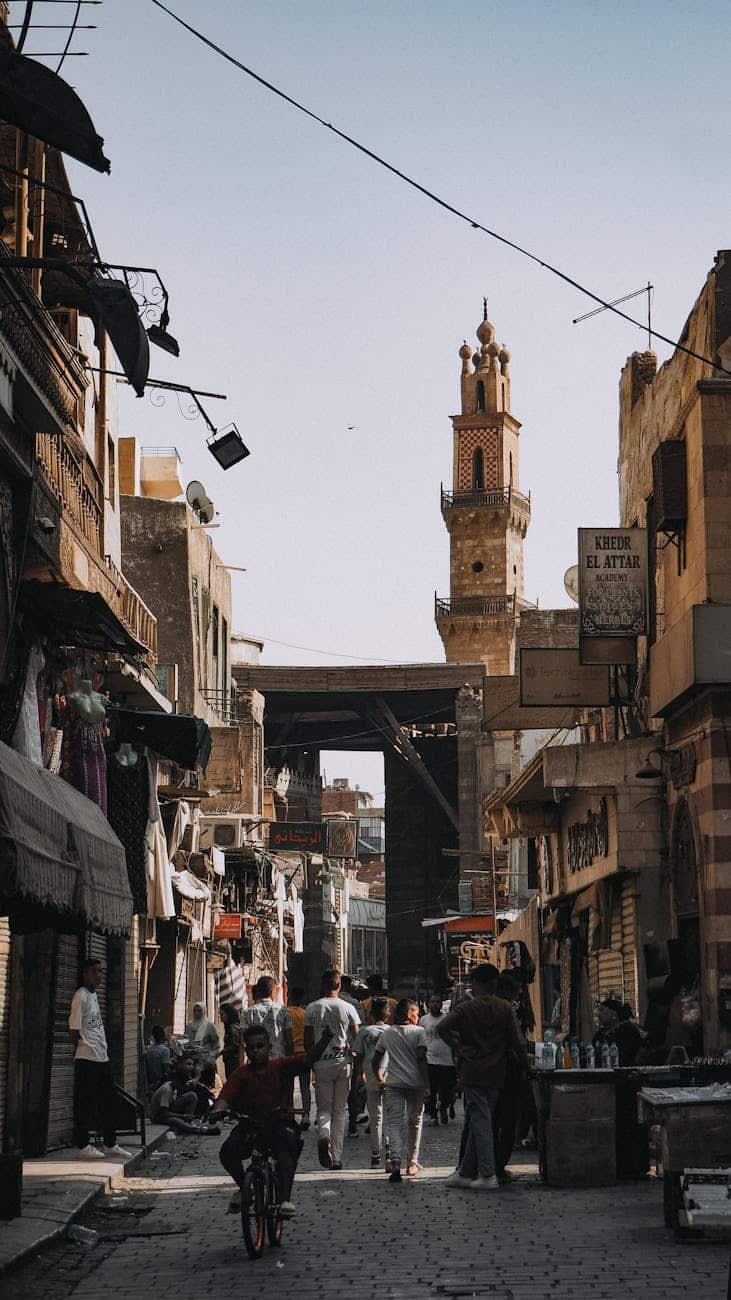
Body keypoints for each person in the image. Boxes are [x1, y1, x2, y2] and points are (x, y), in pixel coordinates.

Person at [212, 1022, 333, 1218]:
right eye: (251, 1047)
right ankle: (245, 1187)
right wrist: (217, 1111)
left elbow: (307, 1059)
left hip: (279, 1122)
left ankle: (285, 1199)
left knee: (286, 1150)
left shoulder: (281, 1066)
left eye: (260, 1046)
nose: (255, 1051)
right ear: (246, 1050)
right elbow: (225, 1096)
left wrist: (325, 1040)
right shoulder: (241, 1074)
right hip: (250, 1125)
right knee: (227, 1152)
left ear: (269, 1047)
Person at [438, 963, 526, 1192]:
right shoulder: (505, 1008)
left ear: (477, 983)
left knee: (480, 1122)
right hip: (497, 1072)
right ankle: (465, 1172)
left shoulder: (467, 1008)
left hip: (473, 1070)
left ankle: (487, 1173)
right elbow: (518, 1042)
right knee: (481, 1120)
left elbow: (442, 1028)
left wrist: (458, 1048)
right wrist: (523, 1062)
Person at [69, 958, 130, 1159]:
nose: (99, 975)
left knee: (109, 1102)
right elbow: (73, 1030)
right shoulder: (81, 996)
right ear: (85, 974)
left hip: (101, 1058)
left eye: (101, 971)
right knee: (84, 1103)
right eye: (95, 971)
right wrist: (85, 1047)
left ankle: (110, 1143)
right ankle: (82, 1145)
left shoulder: (94, 996)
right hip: (87, 1059)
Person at [304, 968, 361, 1170]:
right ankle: (336, 1158)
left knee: (324, 1108)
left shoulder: (312, 1008)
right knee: (339, 1110)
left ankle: (323, 1135)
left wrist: (312, 1061)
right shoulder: (348, 1007)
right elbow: (357, 1038)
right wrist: (355, 1057)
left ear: (322, 985)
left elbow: (308, 1041)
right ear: (339, 985)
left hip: (322, 1064)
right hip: (343, 1063)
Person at [373, 998, 428, 1183]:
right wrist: (427, 1083)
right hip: (416, 1084)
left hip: (394, 1084)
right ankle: (412, 1162)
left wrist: (379, 1079)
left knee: (395, 1124)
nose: (418, 1017)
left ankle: (395, 1160)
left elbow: (376, 1059)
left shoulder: (388, 1033)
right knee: (415, 1122)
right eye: (417, 1013)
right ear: (409, 1013)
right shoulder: (419, 1032)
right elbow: (421, 1059)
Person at [352, 996, 390, 1168]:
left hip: (371, 1078)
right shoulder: (392, 1031)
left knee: (375, 1118)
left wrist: (360, 1074)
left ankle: (376, 1156)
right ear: (388, 1014)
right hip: (390, 1078)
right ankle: (389, 1150)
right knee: (390, 1117)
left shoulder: (364, 1032)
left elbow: (357, 1056)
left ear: (371, 1013)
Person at [150, 1055, 221, 1134]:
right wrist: (183, 1116)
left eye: (192, 1064)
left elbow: (199, 1089)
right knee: (177, 1121)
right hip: (159, 1116)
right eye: (188, 1064)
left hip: (170, 1107)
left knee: (192, 1095)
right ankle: (203, 1130)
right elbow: (163, 1113)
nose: (191, 1067)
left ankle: (190, 1122)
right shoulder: (167, 1088)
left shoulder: (181, 1080)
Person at [419, 995, 456, 1125]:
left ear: (442, 1004)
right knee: (432, 1089)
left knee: (447, 1090)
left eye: (438, 1001)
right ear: (428, 1004)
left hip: (447, 1060)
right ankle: (433, 1116)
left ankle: (444, 1106)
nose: (435, 1004)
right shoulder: (423, 1020)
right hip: (430, 1059)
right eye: (433, 1001)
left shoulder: (447, 1019)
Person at [242, 976, 294, 1059]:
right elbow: (289, 1040)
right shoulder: (283, 1011)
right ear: (272, 991)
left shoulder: (247, 1013)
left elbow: (243, 1042)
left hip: (256, 1060)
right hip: (279, 1060)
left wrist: (242, 1064)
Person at [287, 987, 312, 1129]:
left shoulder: (286, 1013)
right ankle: (306, 1115)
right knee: (305, 1086)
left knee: (289, 1086)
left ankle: (290, 1115)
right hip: (304, 1052)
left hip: (290, 1053)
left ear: (289, 996)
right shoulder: (305, 1014)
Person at [184, 1001, 221, 1087]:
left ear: (204, 1011)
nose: (197, 1013)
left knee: (205, 1086)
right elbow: (185, 1040)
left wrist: (210, 1057)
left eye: (199, 1010)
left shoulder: (210, 1026)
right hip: (192, 1061)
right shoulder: (189, 1026)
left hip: (206, 1061)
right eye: (195, 1010)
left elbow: (216, 1045)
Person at [144, 1025, 171, 1094]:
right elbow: (166, 1070)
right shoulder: (165, 1050)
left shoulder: (149, 1050)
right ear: (164, 1036)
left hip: (150, 1082)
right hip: (160, 1083)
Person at [219, 1003, 242, 1079]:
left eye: (222, 1014)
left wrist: (220, 1053)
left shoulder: (233, 1028)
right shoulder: (230, 1027)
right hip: (231, 1061)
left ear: (228, 1014)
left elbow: (234, 1046)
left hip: (233, 1062)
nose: (220, 1017)